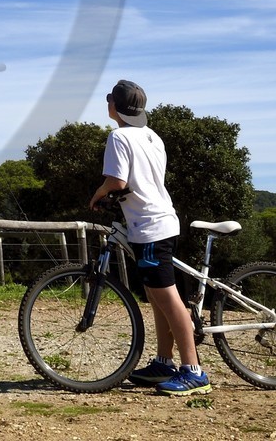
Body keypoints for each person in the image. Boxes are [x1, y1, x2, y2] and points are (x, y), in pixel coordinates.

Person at [87, 80, 212, 395]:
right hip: (160, 220)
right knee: (156, 297)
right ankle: (163, 362)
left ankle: (194, 371)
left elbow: (117, 180)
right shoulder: (152, 136)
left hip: (150, 226)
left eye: (109, 101)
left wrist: (99, 193)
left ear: (114, 106)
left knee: (169, 300)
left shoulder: (118, 136)